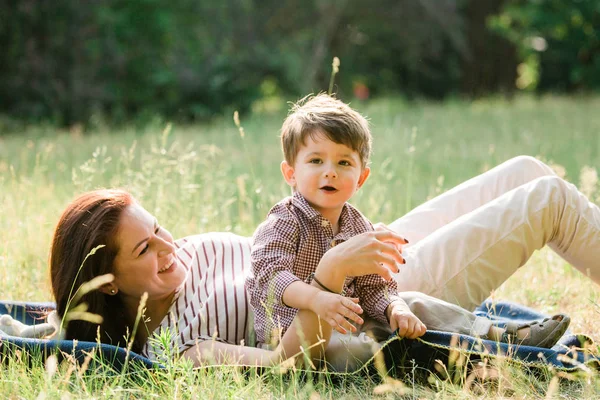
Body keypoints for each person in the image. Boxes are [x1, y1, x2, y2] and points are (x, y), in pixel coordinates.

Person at [245, 94, 570, 371]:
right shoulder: (284, 220)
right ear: (290, 172)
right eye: (316, 160)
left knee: (413, 302)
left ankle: (502, 336)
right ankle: (468, 362)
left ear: (361, 178)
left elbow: (375, 286)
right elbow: (271, 276)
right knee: (371, 349)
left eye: (344, 163)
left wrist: (393, 307)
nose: (330, 170)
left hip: (351, 324)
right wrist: (317, 299)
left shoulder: (357, 225)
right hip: (296, 336)